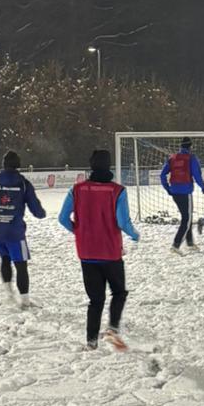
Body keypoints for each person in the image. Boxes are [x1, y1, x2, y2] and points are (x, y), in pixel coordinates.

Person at [58, 148, 140, 350]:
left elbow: (62, 218)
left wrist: (79, 231)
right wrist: (135, 235)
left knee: (95, 300)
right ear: (109, 165)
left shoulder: (77, 189)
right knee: (119, 292)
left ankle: (91, 341)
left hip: (86, 252)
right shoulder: (117, 191)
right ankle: (112, 328)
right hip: (110, 251)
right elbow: (123, 222)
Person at [0, 150, 46, 305]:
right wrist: (41, 213)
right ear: (18, 165)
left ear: (3, 164)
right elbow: (35, 208)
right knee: (21, 265)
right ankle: (25, 301)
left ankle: (9, 293)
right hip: (15, 232)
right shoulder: (23, 183)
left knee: (5, 259)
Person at [159, 137, 204, 251]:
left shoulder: (172, 158)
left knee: (186, 216)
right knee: (187, 219)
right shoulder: (191, 158)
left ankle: (190, 243)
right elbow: (197, 175)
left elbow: (162, 174)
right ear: (190, 146)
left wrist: (167, 188)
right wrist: (202, 186)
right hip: (185, 192)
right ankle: (176, 244)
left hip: (174, 192)